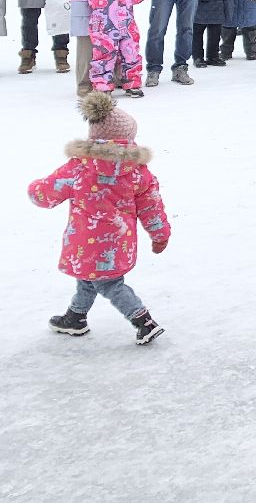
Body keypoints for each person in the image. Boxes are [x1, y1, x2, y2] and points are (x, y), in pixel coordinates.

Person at [29, 93, 169, 345]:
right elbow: (152, 207)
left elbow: (48, 192)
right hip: (119, 242)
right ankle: (76, 317)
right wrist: (160, 234)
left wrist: (34, 189)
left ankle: (143, 321)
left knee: (108, 284)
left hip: (85, 241)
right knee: (88, 278)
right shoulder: (137, 173)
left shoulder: (79, 167)